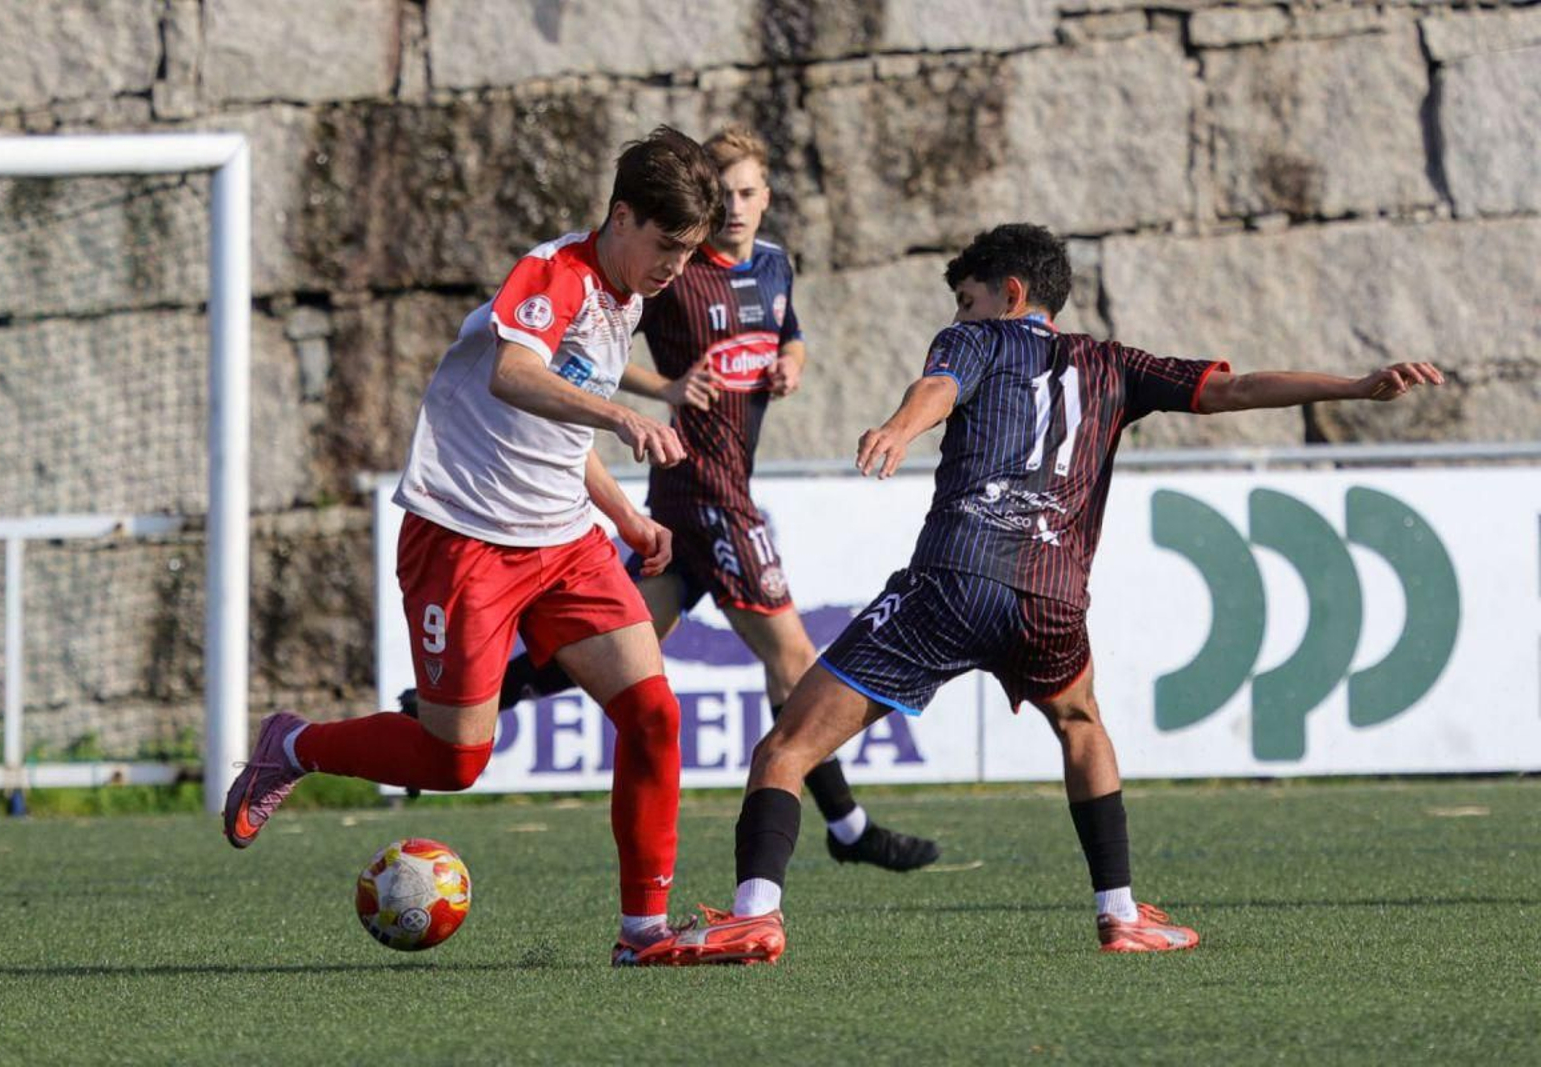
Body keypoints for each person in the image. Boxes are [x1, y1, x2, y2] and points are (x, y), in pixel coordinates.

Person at [633, 222, 1445, 964]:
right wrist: (1356, 386)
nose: (962, 310)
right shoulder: (1118, 364)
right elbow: (1233, 389)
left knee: (786, 748)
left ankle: (756, 912)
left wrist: (896, 428)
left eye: (969, 295)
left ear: (1009, 294)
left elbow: (939, 388)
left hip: (951, 583)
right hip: (1049, 602)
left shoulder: (974, 338)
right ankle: (1121, 912)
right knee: (1081, 721)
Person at [221, 126, 727, 967]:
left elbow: (553, 431)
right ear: (622, 215)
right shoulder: (554, 273)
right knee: (456, 758)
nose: (677, 265)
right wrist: (626, 414)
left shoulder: (628, 296)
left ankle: (643, 931)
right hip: (464, 537)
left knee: (653, 713)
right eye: (667, 243)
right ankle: (294, 745)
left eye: (690, 250)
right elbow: (514, 376)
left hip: (565, 539)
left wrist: (626, 516)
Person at [493, 125, 940, 873]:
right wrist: (664, 387)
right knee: (794, 656)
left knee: (608, 654)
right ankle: (848, 824)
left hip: (709, 487)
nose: (733, 207)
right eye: (722, 193)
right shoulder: (673, 266)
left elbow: (789, 333)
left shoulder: (773, 265)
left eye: (746, 192)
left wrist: (791, 361)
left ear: (766, 198)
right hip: (708, 487)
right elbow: (593, 347)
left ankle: (451, 708)